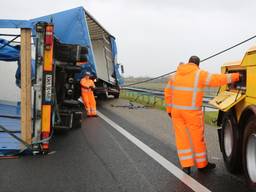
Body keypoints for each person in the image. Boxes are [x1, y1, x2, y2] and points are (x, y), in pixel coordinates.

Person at [164, 56, 240, 174]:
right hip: (192, 113)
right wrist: (236, 76)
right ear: (197, 65)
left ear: (188, 62)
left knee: (181, 138)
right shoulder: (199, 74)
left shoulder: (175, 75)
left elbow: (167, 92)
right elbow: (217, 79)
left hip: (176, 112)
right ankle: (202, 165)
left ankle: (186, 166)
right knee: (197, 139)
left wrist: (169, 109)